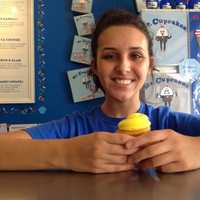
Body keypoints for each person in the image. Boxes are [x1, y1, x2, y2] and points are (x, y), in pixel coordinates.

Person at [1, 9, 200, 173]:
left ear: (150, 66)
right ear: (94, 66)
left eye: (136, 55)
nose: (123, 67)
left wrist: (195, 149)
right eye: (110, 56)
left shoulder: (168, 124)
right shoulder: (74, 129)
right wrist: (68, 153)